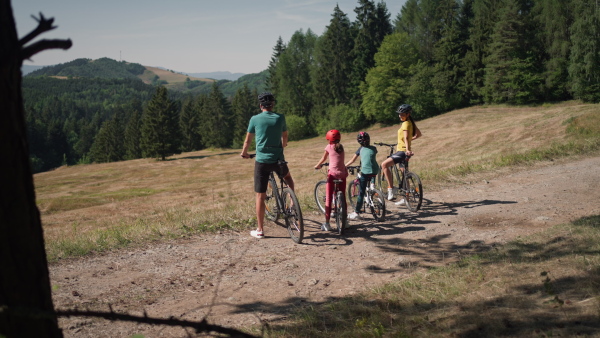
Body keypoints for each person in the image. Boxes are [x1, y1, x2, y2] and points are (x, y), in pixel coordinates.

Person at [241, 92, 294, 239]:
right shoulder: (280, 117)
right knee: (288, 178)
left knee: (260, 196)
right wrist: (282, 146)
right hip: (278, 159)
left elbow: (248, 140)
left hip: (262, 161)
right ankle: (292, 202)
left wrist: (244, 153)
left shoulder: (255, 119)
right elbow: (285, 136)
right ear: (273, 105)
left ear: (260, 106)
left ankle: (260, 230)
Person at [381, 104, 422, 204]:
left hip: (402, 151)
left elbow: (405, 137)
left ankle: (391, 189)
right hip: (404, 151)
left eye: (402, 114)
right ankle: (406, 197)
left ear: (408, 114)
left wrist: (407, 148)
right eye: (399, 114)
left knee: (384, 165)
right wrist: (408, 141)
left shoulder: (405, 124)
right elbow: (418, 134)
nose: (400, 116)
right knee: (404, 173)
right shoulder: (411, 123)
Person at [314, 129, 348, 231]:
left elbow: (323, 158)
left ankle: (327, 224)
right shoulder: (341, 147)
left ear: (329, 139)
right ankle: (345, 222)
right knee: (343, 197)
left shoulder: (329, 147)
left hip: (332, 175)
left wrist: (317, 165)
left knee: (328, 198)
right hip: (342, 175)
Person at [345, 131, 379, 220]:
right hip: (375, 170)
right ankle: (372, 185)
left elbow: (352, 160)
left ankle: (356, 212)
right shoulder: (374, 148)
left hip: (365, 172)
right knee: (372, 174)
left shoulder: (360, 149)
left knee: (361, 192)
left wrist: (345, 166)